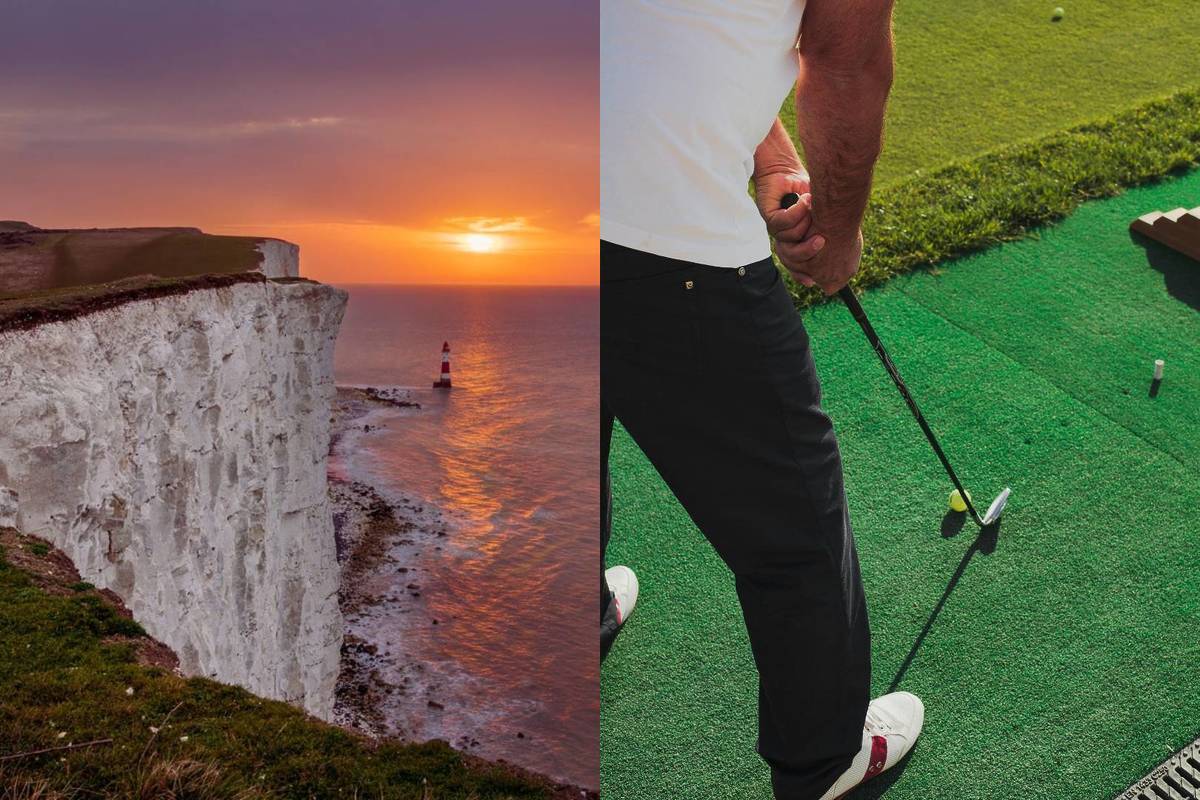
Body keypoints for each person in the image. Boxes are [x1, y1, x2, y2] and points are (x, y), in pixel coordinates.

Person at [599, 1, 925, 798]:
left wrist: (766, 146)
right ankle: (823, 759)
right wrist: (840, 231)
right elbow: (844, 64)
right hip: (671, 248)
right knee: (794, 528)